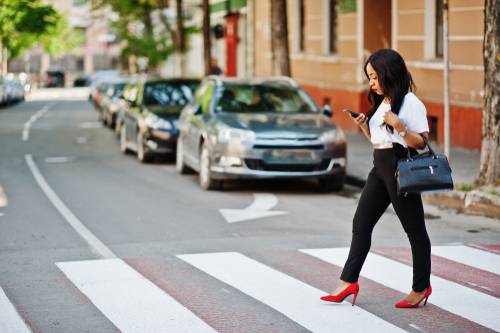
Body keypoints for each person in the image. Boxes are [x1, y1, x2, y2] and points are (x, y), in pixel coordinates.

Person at [320, 49, 432, 308]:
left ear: (388, 73)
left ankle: (421, 287)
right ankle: (347, 283)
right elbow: (379, 141)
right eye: (369, 77)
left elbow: (422, 143)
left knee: (415, 230)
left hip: (400, 167)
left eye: (374, 77)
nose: (370, 83)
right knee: (361, 224)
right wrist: (363, 126)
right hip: (378, 167)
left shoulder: (411, 103)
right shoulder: (381, 102)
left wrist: (400, 126)